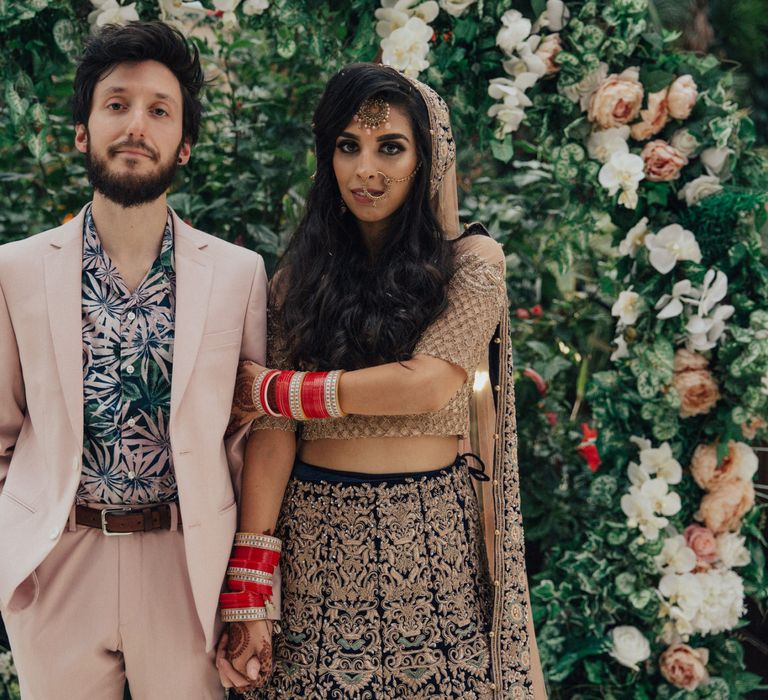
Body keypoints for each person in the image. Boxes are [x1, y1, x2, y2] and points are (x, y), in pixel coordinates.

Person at [217, 63, 546, 699]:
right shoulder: (297, 280)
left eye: (390, 147)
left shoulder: (470, 263)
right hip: (317, 543)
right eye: (348, 146)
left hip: (432, 543)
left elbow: (425, 384)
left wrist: (276, 388)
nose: (366, 169)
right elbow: (277, 433)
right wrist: (251, 588)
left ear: (427, 158)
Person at [0, 21, 268, 699]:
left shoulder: (238, 275)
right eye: (116, 104)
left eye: (159, 110)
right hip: (61, 566)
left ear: (183, 145)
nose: (135, 126)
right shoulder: (16, 271)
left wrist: (248, 589)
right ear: (83, 131)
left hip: (186, 568)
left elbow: (250, 440)